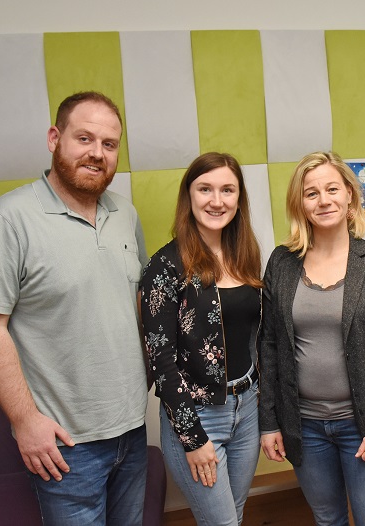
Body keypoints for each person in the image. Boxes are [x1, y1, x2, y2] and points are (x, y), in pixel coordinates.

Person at [0, 92, 149, 524]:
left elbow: (137, 305)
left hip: (131, 430)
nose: (97, 154)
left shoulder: (125, 212)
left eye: (109, 144)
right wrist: (25, 420)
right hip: (66, 445)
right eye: (84, 138)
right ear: (54, 138)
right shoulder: (6, 220)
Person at [259, 151, 365, 526]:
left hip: (363, 426)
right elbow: (269, 346)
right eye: (311, 193)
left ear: (349, 196)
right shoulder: (281, 262)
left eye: (332, 189)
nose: (323, 200)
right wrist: (269, 422)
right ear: (300, 204)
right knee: (328, 519)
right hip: (304, 426)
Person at [140, 152, 262, 525]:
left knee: (233, 518)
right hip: (199, 416)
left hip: (248, 408)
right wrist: (192, 438)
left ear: (238, 198)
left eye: (228, 190)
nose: (217, 200)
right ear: (188, 196)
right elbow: (160, 362)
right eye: (205, 189)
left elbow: (255, 337)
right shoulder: (164, 266)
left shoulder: (245, 255)